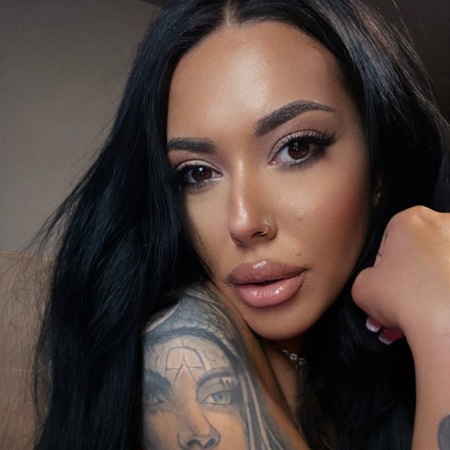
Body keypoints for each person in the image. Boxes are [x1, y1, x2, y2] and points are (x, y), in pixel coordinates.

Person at [33, 0, 450, 449]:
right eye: (197, 173)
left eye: (296, 149)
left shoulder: (362, 361)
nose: (244, 222)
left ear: (379, 170)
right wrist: (441, 319)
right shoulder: (186, 345)